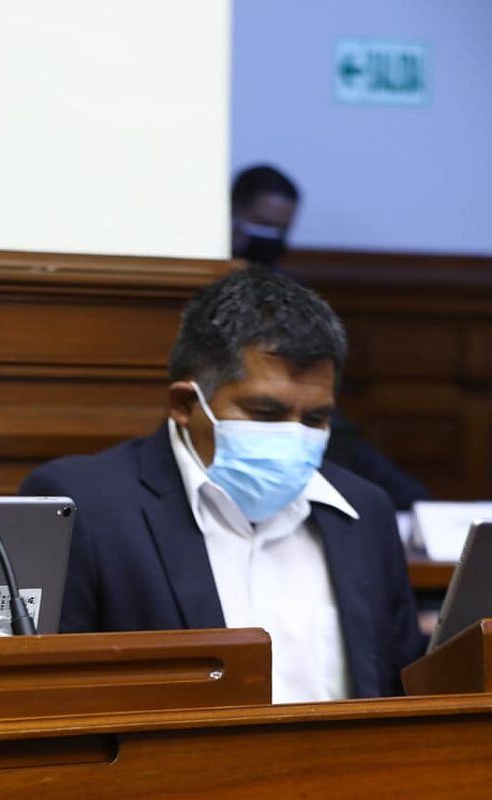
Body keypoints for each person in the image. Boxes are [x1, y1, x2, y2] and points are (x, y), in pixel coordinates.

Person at [21, 266, 425, 703]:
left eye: (315, 419)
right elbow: (53, 704)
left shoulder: (365, 512)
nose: (295, 436)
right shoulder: (86, 506)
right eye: (265, 414)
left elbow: (396, 690)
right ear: (184, 403)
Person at [231, 164, 430, 510]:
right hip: (251, 419)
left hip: (309, 419)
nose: (272, 238)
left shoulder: (293, 291)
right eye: (262, 224)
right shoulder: (202, 288)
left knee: (361, 459)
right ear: (232, 213)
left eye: (281, 229)